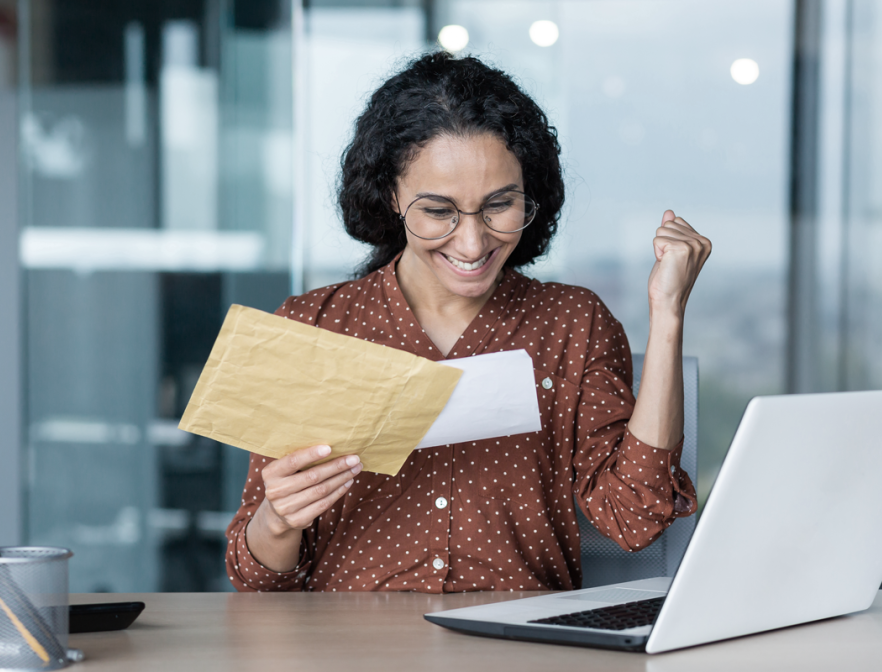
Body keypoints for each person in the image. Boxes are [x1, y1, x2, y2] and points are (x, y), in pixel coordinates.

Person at [225, 51, 710, 593]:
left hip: (520, 639)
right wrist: (277, 520)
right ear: (391, 197)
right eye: (438, 211)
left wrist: (668, 314)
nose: (473, 242)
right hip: (352, 644)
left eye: (499, 205)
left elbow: (635, 518)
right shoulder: (311, 326)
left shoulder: (572, 323)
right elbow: (256, 578)